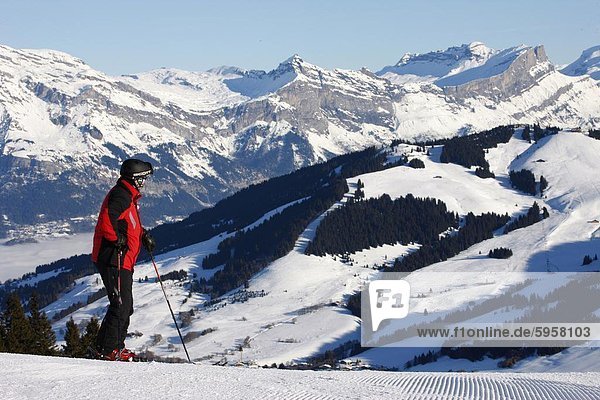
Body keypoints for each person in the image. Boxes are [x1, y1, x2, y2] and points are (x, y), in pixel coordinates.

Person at [91, 158, 156, 361]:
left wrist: (142, 235)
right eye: (142, 178)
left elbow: (127, 223)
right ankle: (111, 349)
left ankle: (103, 347)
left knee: (123, 304)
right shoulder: (122, 195)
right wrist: (115, 239)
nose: (144, 182)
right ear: (134, 178)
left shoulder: (128, 195)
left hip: (123, 259)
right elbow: (106, 220)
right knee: (121, 304)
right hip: (114, 258)